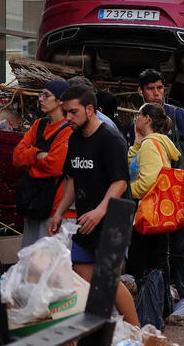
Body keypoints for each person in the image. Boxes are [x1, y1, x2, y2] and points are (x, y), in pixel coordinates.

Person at [48, 86, 139, 326]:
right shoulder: (75, 138)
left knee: (108, 281)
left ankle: (138, 333)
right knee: (82, 278)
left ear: (90, 109)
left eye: (73, 112)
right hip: (85, 218)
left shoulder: (111, 139)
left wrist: (100, 211)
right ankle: (98, 332)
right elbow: (72, 179)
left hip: (113, 218)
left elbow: (120, 182)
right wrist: (58, 213)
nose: (67, 118)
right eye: (65, 112)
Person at [132, 69, 184, 316]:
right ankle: (163, 299)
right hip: (150, 199)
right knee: (158, 251)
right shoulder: (138, 121)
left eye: (159, 88)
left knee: (182, 248)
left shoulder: (179, 116)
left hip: (180, 194)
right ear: (140, 91)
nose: (156, 93)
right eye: (151, 89)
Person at [126, 103, 181, 323]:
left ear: (146, 119)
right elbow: (134, 166)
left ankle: (146, 315)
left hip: (146, 214)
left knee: (141, 265)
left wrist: (125, 190)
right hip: (159, 214)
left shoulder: (151, 145)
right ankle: (158, 310)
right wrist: (136, 145)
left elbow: (148, 181)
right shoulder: (154, 143)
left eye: (138, 115)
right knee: (157, 261)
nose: (135, 119)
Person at [13, 80, 75, 248]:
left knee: (50, 266)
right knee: (30, 263)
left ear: (60, 100)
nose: (41, 99)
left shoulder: (69, 130)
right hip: (33, 204)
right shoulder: (38, 125)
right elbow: (17, 156)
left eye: (46, 95)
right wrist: (37, 154)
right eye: (41, 94)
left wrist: (29, 164)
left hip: (54, 208)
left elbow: (54, 166)